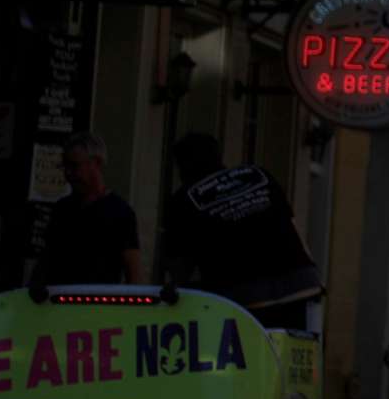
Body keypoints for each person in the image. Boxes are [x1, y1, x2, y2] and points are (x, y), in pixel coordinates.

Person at [163, 133, 322, 324]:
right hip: (303, 284)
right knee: (302, 349)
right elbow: (292, 227)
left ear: (182, 166)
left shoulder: (184, 199)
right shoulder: (256, 174)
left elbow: (179, 269)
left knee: (251, 352)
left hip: (247, 298)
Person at [34, 133, 141, 286]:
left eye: (74, 165)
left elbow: (133, 272)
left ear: (96, 163)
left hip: (99, 306)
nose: (68, 173)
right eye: (65, 166)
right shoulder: (62, 210)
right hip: (58, 304)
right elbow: (46, 260)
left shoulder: (120, 212)